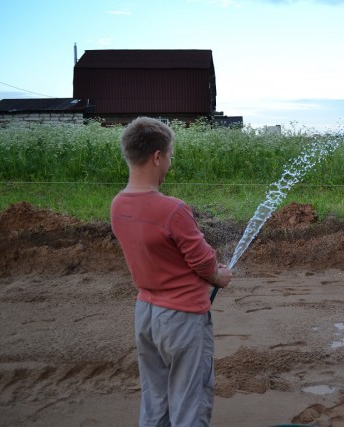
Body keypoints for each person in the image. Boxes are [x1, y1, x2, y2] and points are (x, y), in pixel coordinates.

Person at [110, 116, 232, 426]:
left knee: (155, 398)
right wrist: (219, 276)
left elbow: (161, 255)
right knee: (190, 402)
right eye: (169, 157)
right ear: (156, 157)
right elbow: (203, 263)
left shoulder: (118, 205)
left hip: (146, 315)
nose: (169, 164)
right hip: (181, 320)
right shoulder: (172, 209)